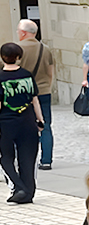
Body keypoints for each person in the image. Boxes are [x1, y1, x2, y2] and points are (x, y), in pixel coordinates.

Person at [0, 42, 45, 204]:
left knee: (6, 157)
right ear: (18, 57)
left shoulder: (0, 78)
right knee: (28, 158)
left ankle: (19, 187)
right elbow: (35, 100)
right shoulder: (27, 75)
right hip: (27, 122)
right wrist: (40, 120)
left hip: (5, 123)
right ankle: (28, 193)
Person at [16, 19, 54, 171]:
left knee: (22, 127)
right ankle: (46, 160)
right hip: (43, 91)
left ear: (23, 32)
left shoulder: (16, 49)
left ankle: (25, 159)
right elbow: (50, 72)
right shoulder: (46, 49)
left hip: (22, 93)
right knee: (45, 126)